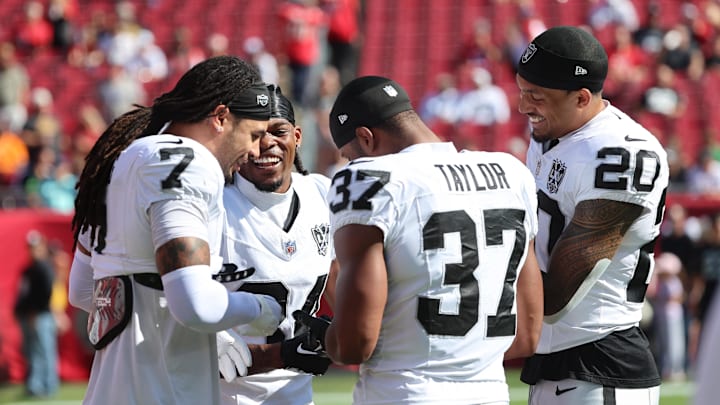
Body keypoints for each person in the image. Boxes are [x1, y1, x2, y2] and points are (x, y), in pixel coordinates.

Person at [297, 75, 544, 404]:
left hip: (404, 391)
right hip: (489, 391)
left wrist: (323, 337)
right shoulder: (510, 172)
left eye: (350, 155)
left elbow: (355, 343)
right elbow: (526, 336)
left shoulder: (368, 179)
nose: (350, 164)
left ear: (366, 138)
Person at [67, 55, 283, 405]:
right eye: (254, 134)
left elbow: (82, 290)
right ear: (222, 118)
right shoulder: (187, 163)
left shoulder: (124, 160)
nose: (256, 150)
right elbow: (196, 305)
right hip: (164, 388)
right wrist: (260, 308)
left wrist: (149, 305)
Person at [515, 26, 668, 404]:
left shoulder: (620, 154)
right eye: (522, 91)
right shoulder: (555, 128)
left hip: (599, 362)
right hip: (556, 363)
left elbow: (553, 298)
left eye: (536, 96)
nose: (523, 106)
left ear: (582, 98)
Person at [216, 84, 337, 404]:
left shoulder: (323, 194)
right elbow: (183, 343)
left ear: (297, 136)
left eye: (278, 131)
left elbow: (341, 286)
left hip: (296, 395)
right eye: (254, 134)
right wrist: (282, 354)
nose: (267, 142)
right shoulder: (212, 205)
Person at [14, 230, 59, 398]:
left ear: (42, 246)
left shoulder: (44, 268)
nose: (33, 250)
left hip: (40, 316)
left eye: (36, 246)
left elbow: (47, 292)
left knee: (44, 351)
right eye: (31, 247)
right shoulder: (28, 269)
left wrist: (35, 311)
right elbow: (23, 293)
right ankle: (35, 384)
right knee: (31, 351)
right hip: (28, 316)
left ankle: (47, 385)